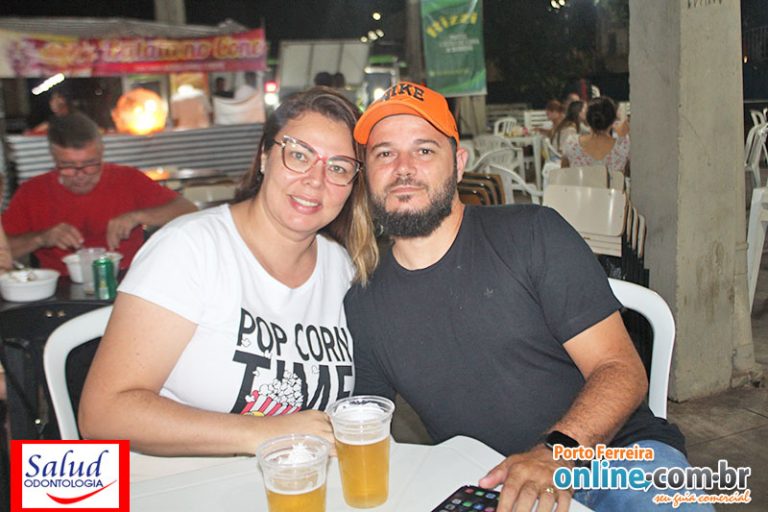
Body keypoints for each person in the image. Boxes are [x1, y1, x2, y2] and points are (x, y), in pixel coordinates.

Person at [344, 82, 709, 512]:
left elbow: (621, 369)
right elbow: (363, 427)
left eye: (424, 150)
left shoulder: (533, 234)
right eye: (384, 153)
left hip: (615, 457)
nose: (403, 168)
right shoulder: (364, 303)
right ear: (366, 174)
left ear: (458, 164)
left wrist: (555, 454)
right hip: (491, 485)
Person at [78, 87, 379, 456]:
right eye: (299, 155)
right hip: (175, 481)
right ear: (265, 156)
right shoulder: (190, 249)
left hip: (293, 480)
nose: (315, 180)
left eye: (338, 168)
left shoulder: (342, 269)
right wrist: (263, 433)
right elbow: (102, 414)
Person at [2, 112, 196, 275]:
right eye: (68, 166)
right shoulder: (32, 191)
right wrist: (41, 238)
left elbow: (188, 210)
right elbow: (4, 249)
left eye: (90, 164)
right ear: (54, 158)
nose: (80, 175)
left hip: (128, 278)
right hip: (60, 287)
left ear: (102, 153)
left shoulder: (127, 179)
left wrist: (138, 216)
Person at [561, 96, 630, 174]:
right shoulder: (623, 147)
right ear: (613, 120)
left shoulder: (571, 143)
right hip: (612, 183)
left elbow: (564, 174)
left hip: (580, 182)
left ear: (588, 119)